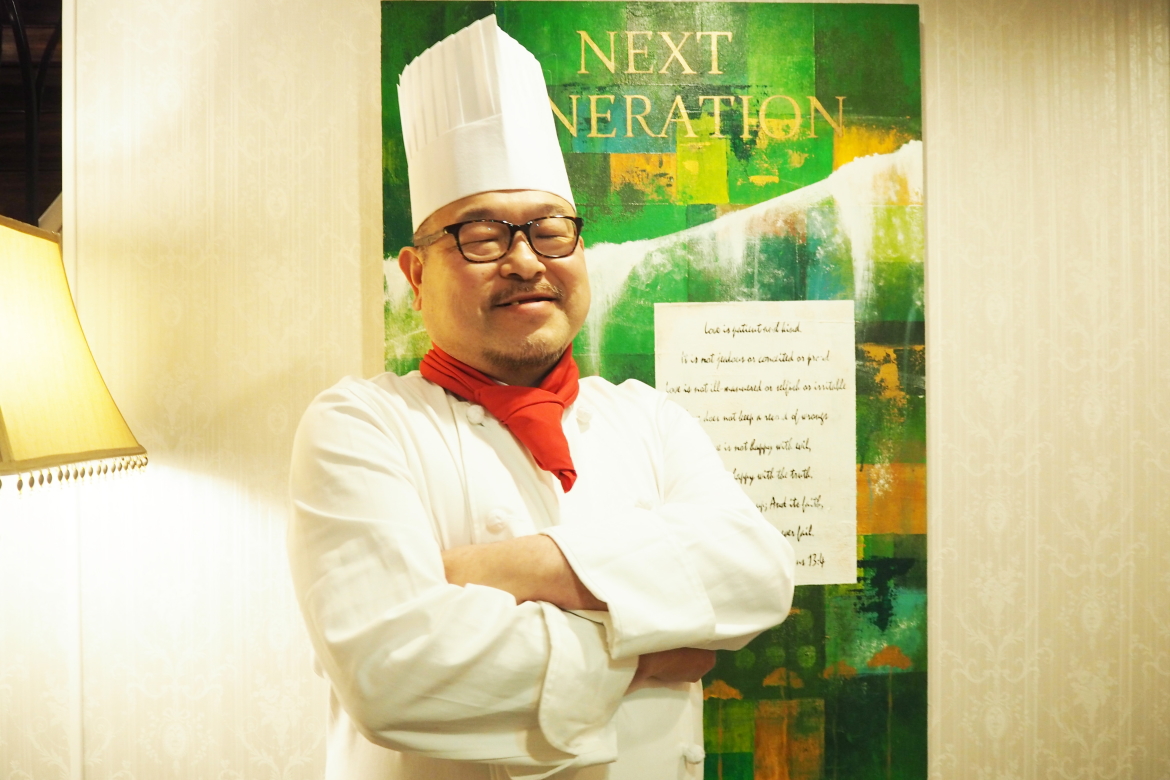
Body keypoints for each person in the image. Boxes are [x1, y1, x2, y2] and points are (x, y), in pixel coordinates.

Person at [288, 15, 796, 780]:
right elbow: (394, 675)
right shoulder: (360, 425)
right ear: (416, 275)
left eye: (550, 230)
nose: (525, 261)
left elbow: (757, 574)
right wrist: (642, 649)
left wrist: (506, 569)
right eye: (481, 236)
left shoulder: (648, 419)